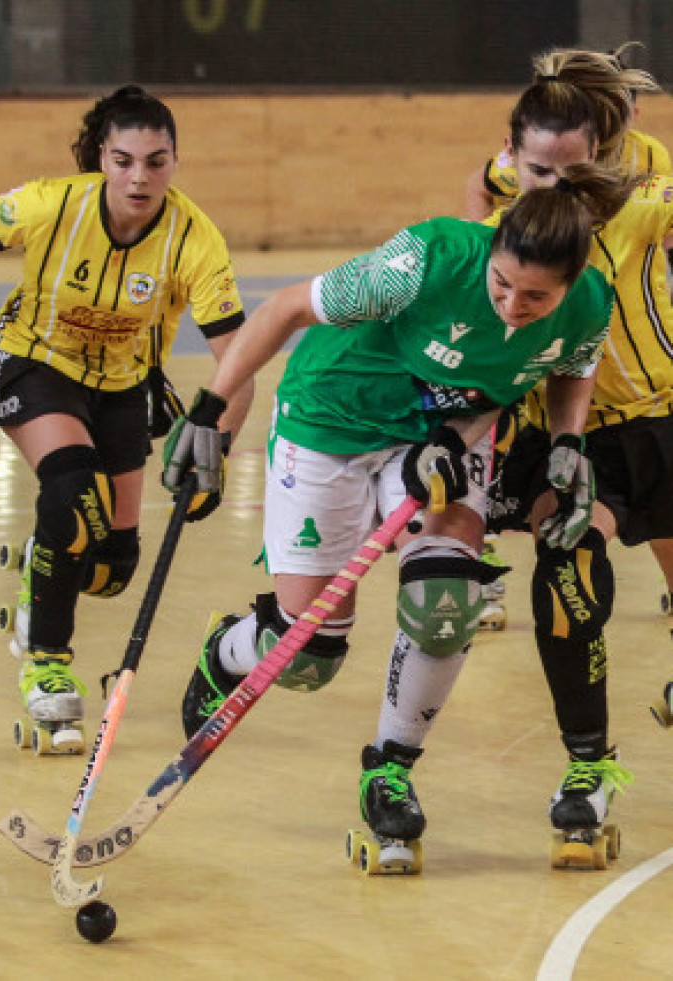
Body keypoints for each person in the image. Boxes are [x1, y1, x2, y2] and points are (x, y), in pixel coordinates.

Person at [161, 158, 637, 871]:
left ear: (568, 284)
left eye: (534, 298)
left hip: (441, 439)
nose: (511, 306)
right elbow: (285, 307)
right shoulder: (424, 261)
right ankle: (229, 647)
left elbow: (563, 367)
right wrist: (210, 410)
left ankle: (389, 769)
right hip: (332, 415)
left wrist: (563, 438)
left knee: (445, 603)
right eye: (501, 285)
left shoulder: (589, 302)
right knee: (310, 654)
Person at [0, 85, 253, 755]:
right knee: (70, 495)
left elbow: (240, 362)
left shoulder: (193, 238)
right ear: (101, 159)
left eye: (156, 160)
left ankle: (42, 565)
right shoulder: (52, 204)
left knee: (111, 565)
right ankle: (46, 660)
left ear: (176, 161)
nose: (139, 178)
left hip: (123, 382)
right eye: (122, 160)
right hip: (36, 362)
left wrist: (217, 445)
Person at [468, 47, 673, 858]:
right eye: (536, 171)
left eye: (573, 167)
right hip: (571, 426)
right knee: (566, 573)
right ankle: (587, 764)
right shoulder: (512, 190)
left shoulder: (645, 186)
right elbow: (484, 203)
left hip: (657, 407)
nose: (550, 185)